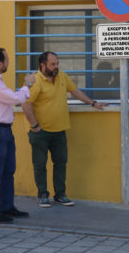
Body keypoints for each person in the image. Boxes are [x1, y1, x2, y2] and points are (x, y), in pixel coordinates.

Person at [21, 51, 107, 208]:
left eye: (57, 63)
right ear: (43, 65)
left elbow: (75, 91)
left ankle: (60, 194)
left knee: (60, 163)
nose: (56, 67)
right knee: (40, 164)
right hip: (40, 132)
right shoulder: (35, 81)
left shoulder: (61, 77)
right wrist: (34, 126)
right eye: (53, 64)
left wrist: (93, 103)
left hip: (59, 130)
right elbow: (26, 104)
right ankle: (43, 195)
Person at [0, 47, 37, 223]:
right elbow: (16, 98)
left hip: (3, 131)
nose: (10, 62)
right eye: (7, 59)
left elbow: (11, 98)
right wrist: (28, 85)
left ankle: (7, 207)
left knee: (7, 171)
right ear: (0, 63)